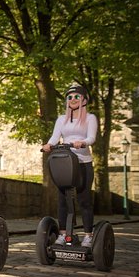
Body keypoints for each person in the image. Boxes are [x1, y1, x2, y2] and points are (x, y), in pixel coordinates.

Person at [41, 84, 98, 248]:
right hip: (65, 162)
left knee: (84, 199)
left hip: (83, 163)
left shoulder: (90, 118)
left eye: (77, 97)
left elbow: (92, 138)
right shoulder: (61, 119)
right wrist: (48, 145)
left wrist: (82, 142)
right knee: (63, 200)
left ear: (84, 100)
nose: (73, 99)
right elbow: (54, 137)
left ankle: (88, 235)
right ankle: (64, 234)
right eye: (70, 97)